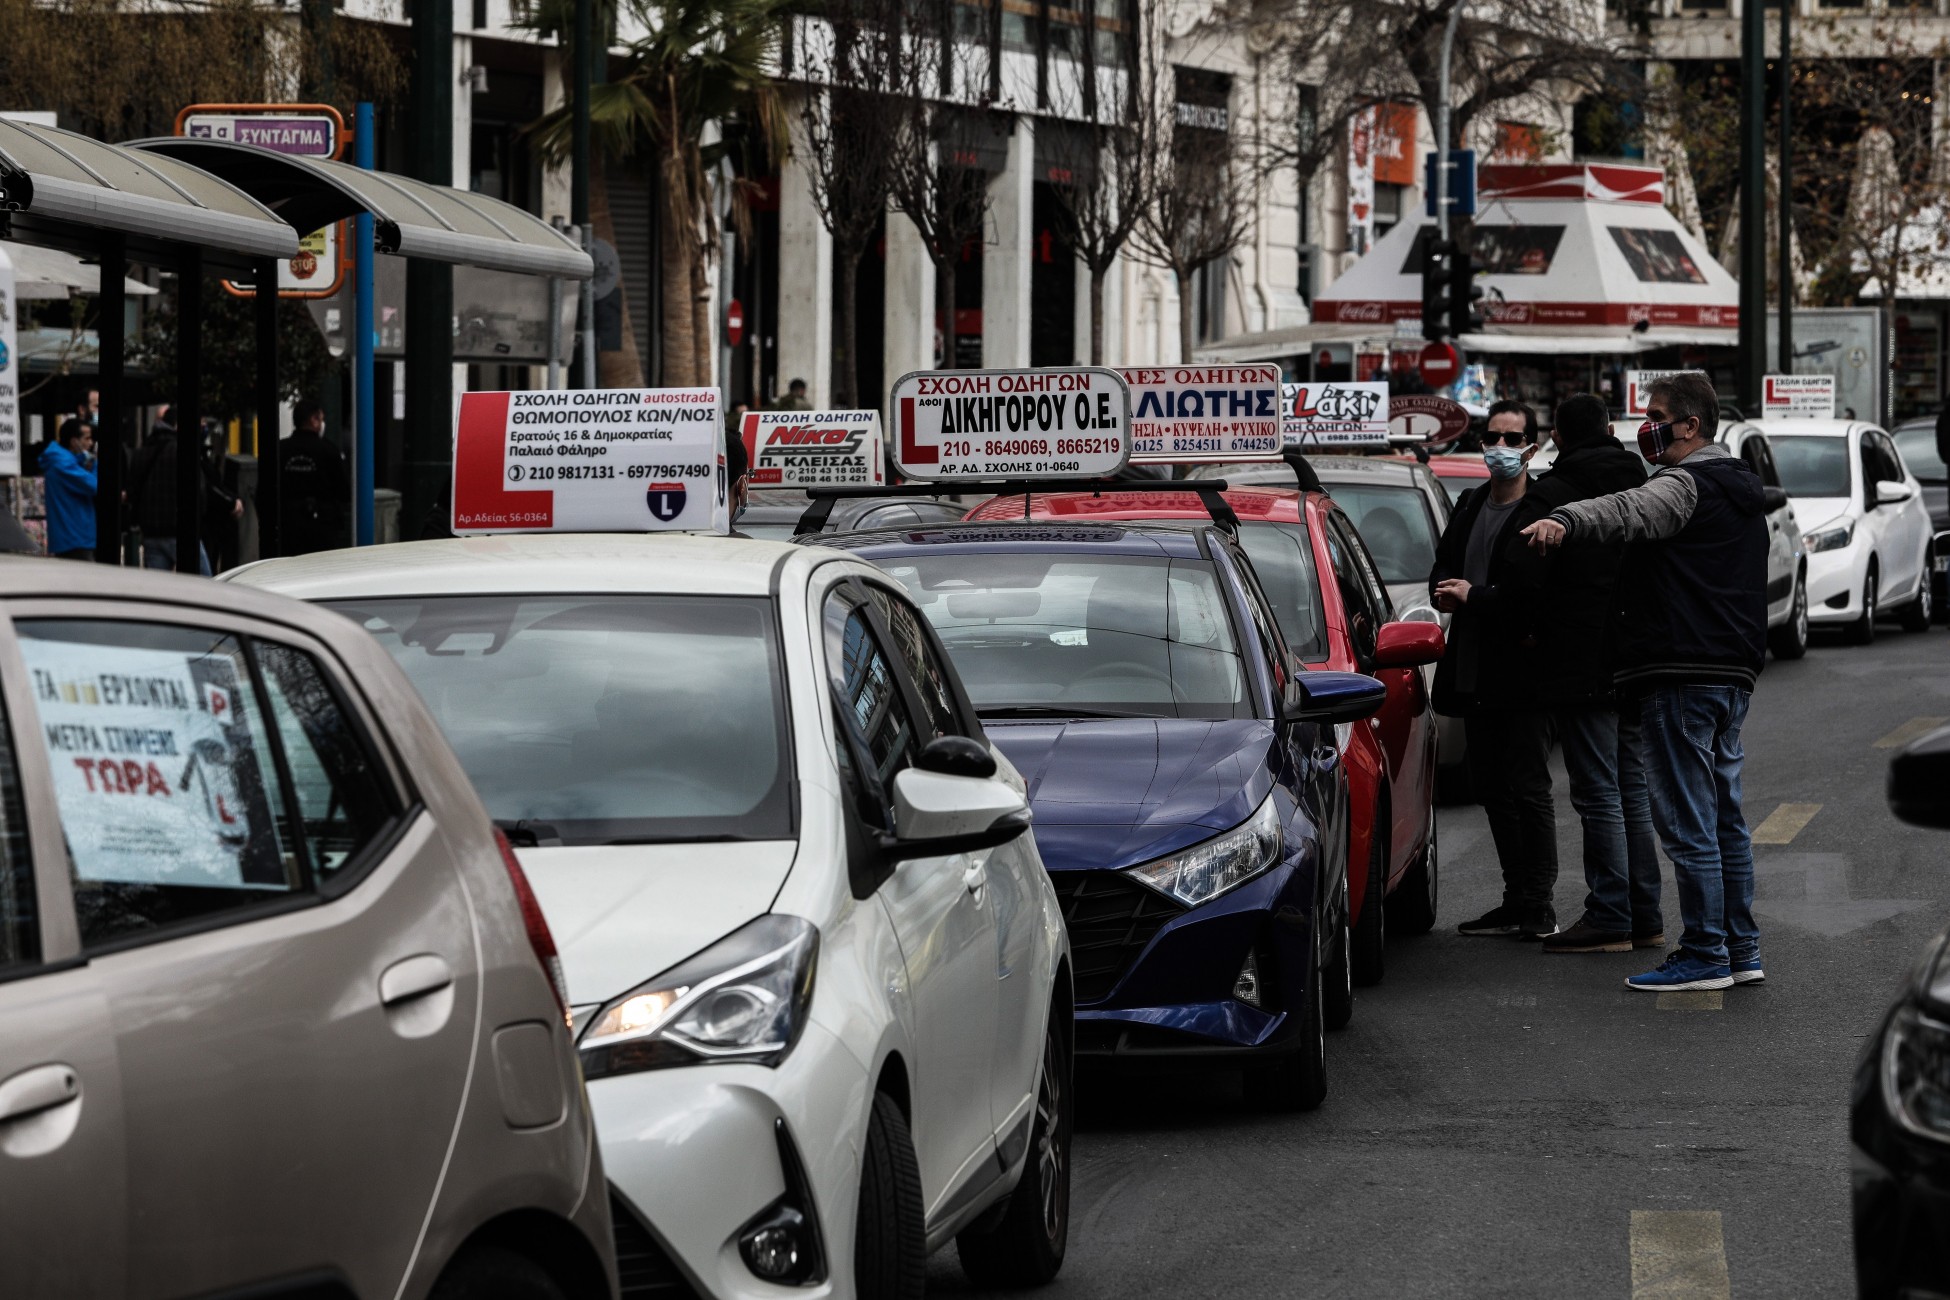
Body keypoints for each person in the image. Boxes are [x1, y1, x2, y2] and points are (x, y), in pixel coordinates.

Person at [1521, 371, 1769, 992]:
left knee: (1689, 823)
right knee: (1723, 822)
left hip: (1681, 672)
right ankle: (1740, 950)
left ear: (1690, 426)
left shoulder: (1687, 484)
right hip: (1728, 672)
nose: (1646, 427)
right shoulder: (1738, 489)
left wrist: (1567, 519)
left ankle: (1706, 954)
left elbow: (1632, 509)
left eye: (1657, 415)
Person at [1518, 394, 1664, 955]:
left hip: (1580, 660)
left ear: (1558, 434)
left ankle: (1610, 915)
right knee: (1632, 787)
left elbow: (1526, 576)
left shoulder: (1553, 494)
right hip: (1635, 656)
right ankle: (1643, 915)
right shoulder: (1644, 487)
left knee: (1598, 790)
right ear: (1608, 428)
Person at [1429, 399, 1559, 940]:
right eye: (1493, 438)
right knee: (1491, 788)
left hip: (1523, 672)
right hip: (1473, 669)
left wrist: (1475, 596)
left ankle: (1540, 905)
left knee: (1528, 786)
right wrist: (1449, 591)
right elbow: (1443, 566)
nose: (1500, 449)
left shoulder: (1543, 511)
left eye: (1512, 439)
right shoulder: (1470, 504)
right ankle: (1514, 897)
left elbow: (1537, 599)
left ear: (1532, 447)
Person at [126, 406, 240, 575]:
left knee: (157, 589)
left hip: (151, 532)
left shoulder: (144, 449)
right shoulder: (183, 450)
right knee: (204, 583)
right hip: (180, 531)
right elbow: (201, 490)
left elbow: (133, 489)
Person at [276, 400, 350, 555]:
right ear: (313, 420)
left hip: (286, 529)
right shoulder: (329, 451)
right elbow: (343, 491)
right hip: (322, 531)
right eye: (321, 419)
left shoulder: (280, 450)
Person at [42, 418, 98, 561]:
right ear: (74, 442)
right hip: (74, 537)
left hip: (72, 537)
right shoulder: (63, 464)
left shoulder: (64, 461)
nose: (91, 443)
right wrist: (95, 464)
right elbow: (94, 485)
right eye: (87, 438)